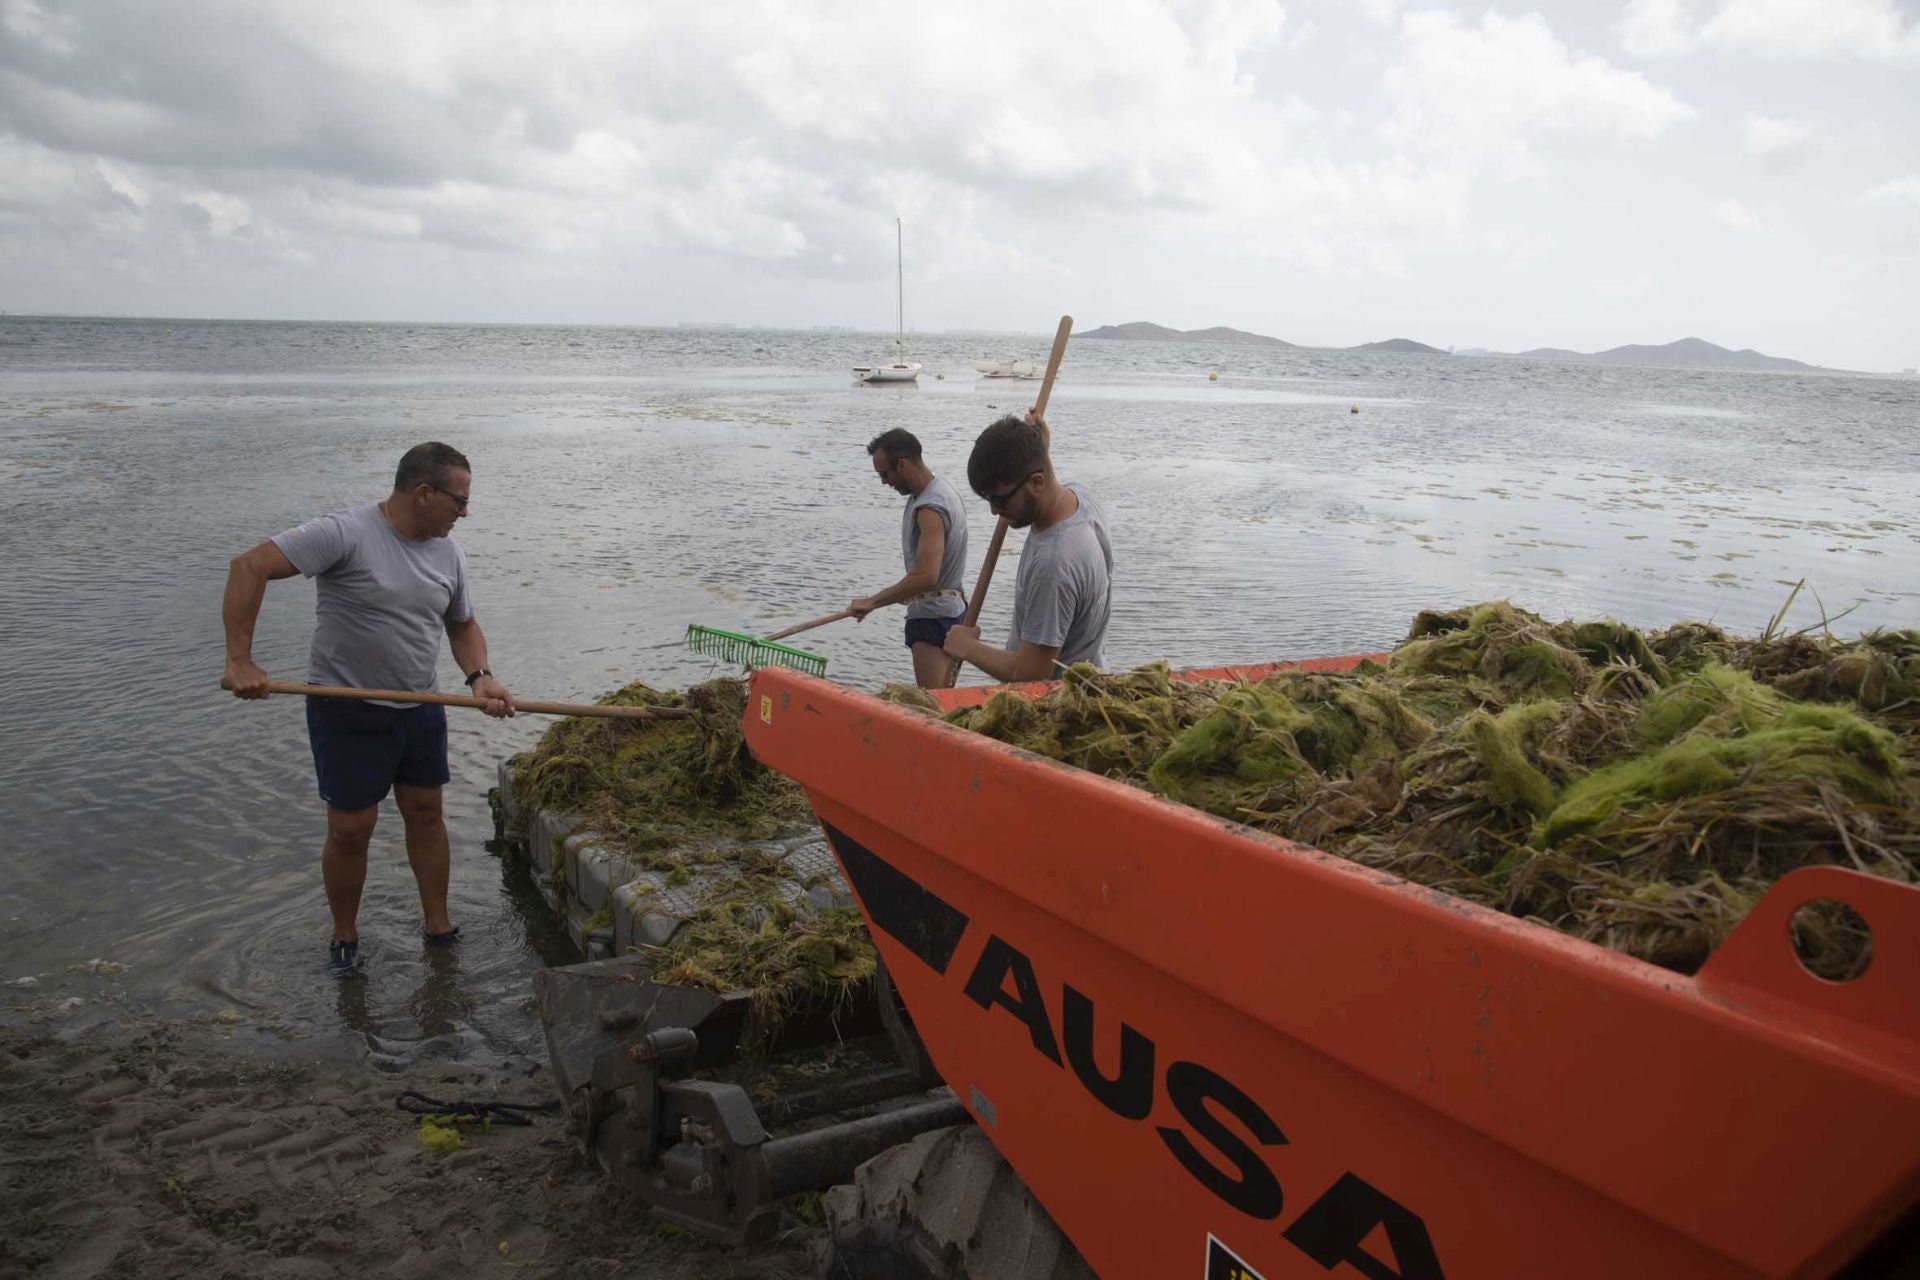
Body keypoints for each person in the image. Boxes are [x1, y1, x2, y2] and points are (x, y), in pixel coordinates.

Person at [221, 442, 515, 977]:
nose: (465, 512)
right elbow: (249, 567)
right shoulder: (345, 533)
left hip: (420, 705)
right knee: (352, 828)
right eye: (459, 500)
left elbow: (461, 624)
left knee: (427, 812)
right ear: (423, 493)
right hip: (347, 706)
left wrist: (480, 678)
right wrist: (241, 661)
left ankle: (439, 926)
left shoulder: (449, 553)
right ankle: (344, 936)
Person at [943, 409, 1112, 684]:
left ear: (1036, 483)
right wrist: (1040, 449)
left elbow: (1033, 674)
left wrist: (968, 648)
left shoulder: (1054, 564)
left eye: (1000, 500)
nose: (994, 511)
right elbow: (1043, 475)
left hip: (1056, 708)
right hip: (1090, 677)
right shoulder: (1080, 497)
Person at [849, 428, 972, 687]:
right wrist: (904, 591)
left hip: (933, 617)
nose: (884, 482)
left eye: (885, 474)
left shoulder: (929, 507)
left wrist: (873, 601)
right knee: (944, 700)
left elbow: (927, 575)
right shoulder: (944, 488)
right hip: (954, 609)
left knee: (932, 705)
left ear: (902, 463)